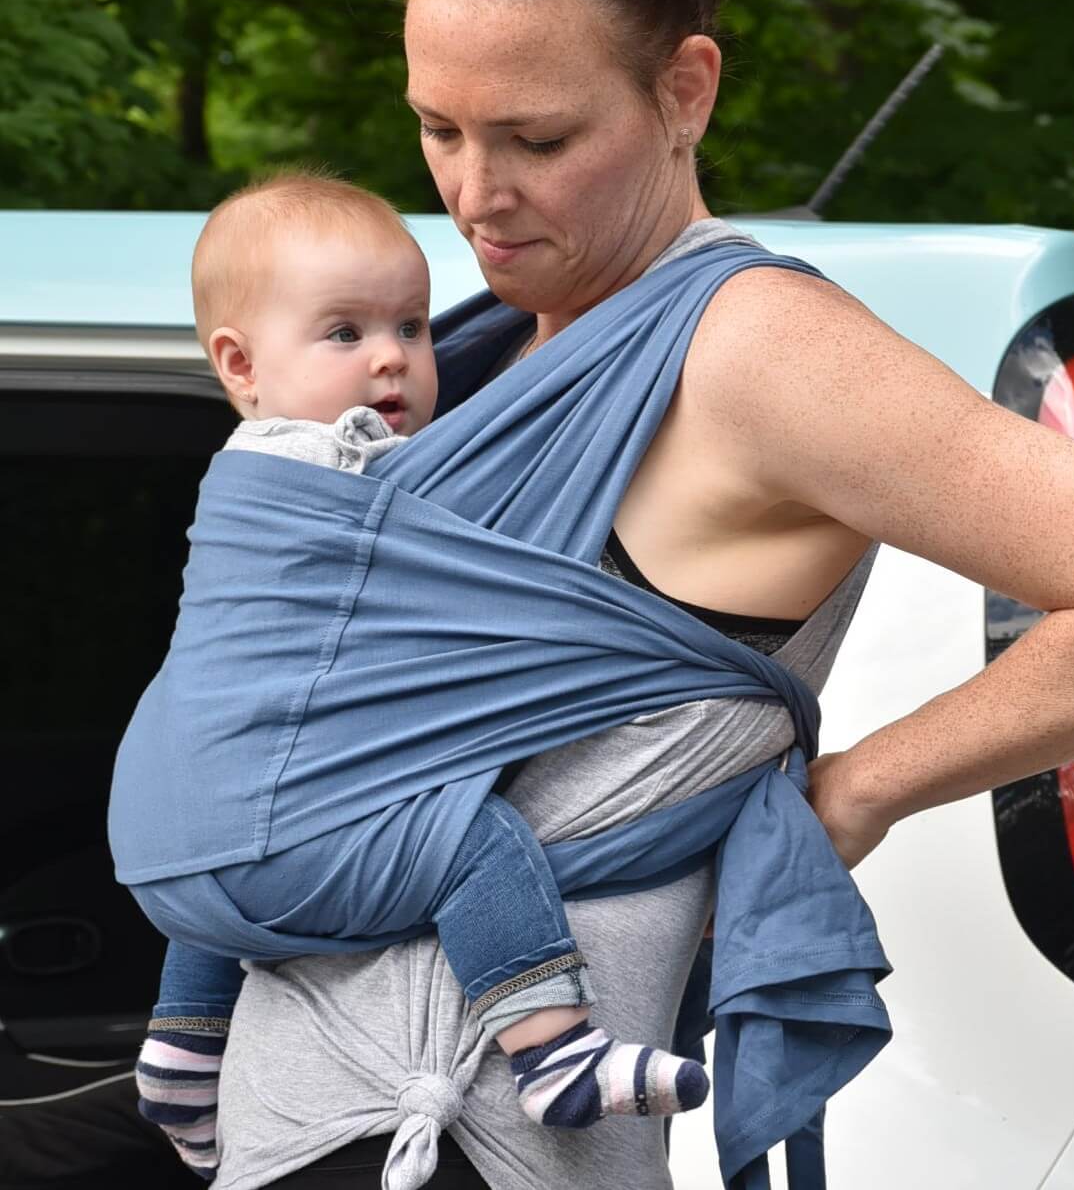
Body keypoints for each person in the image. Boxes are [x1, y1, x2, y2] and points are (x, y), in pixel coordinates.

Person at [197, 0, 1074, 1187]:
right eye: (437, 126)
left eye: (536, 136)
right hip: (305, 1120)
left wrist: (859, 789)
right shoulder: (469, 343)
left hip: (468, 1132)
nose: (475, 191)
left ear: (683, 90)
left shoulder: (751, 349)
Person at [121, 170, 711, 1181]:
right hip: (264, 810)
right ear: (239, 364)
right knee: (469, 838)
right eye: (346, 335)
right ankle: (552, 1049)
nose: (392, 358)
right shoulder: (341, 468)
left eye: (413, 326)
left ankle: (183, 1046)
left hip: (172, 824)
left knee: (237, 827)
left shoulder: (246, 467)